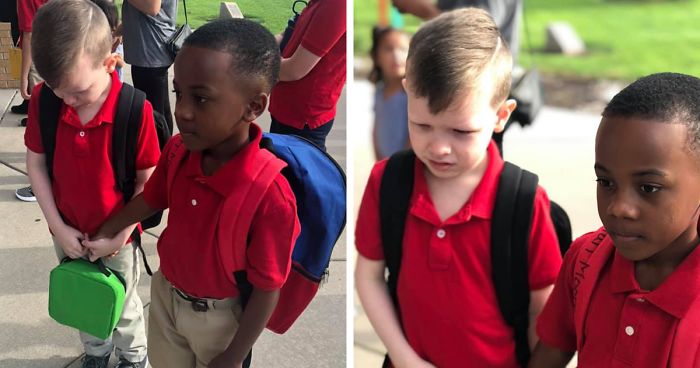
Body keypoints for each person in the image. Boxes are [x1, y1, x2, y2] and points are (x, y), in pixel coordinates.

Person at [83, 19, 301, 368]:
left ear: (254, 107)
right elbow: (152, 199)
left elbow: (267, 289)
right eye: (178, 93)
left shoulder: (270, 194)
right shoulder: (177, 151)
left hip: (221, 321)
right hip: (168, 297)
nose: (182, 111)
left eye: (200, 98)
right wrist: (108, 228)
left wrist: (233, 355)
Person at [354, 8, 562, 368]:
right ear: (407, 92)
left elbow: (542, 308)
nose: (439, 147)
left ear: (501, 116)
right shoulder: (388, 183)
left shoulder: (524, 203)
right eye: (422, 125)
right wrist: (406, 360)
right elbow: (369, 276)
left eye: (461, 131)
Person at [530, 72, 700, 368]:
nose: (619, 208)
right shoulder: (586, 260)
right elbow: (550, 355)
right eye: (605, 182)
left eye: (649, 188)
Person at [24, 1, 159, 367]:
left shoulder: (133, 110)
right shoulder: (44, 101)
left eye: (78, 92)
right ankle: (96, 353)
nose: (67, 100)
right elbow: (36, 165)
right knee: (84, 298)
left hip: (117, 237)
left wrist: (120, 234)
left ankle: (134, 357)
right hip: (66, 230)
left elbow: (148, 184)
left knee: (124, 304)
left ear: (110, 62)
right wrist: (58, 227)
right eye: (57, 90)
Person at [268, 0, 346, 151]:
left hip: (303, 118)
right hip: (286, 109)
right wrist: (253, 42)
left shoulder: (337, 4)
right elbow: (288, 34)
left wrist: (249, 63)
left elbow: (294, 69)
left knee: (296, 172)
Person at [13, 0, 50, 202]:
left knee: (41, 128)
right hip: (64, 55)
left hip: (41, 60)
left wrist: (24, 76)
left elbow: (29, 35)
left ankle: (40, 185)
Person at [121, 0, 177, 133]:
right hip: (151, 49)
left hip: (150, 50)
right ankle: (167, 149)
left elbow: (152, 7)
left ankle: (160, 151)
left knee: (154, 114)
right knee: (160, 109)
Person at [369, 26, 410, 161]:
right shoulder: (380, 91)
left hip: (405, 164)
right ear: (376, 56)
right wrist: (379, 162)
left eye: (403, 49)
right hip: (385, 163)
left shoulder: (412, 94)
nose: (396, 56)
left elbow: (415, 136)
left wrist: (399, 164)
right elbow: (376, 129)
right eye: (388, 49)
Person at [90, 0, 126, 81]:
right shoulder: (96, 34)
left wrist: (109, 55)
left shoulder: (115, 37)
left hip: (114, 79)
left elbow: (121, 63)